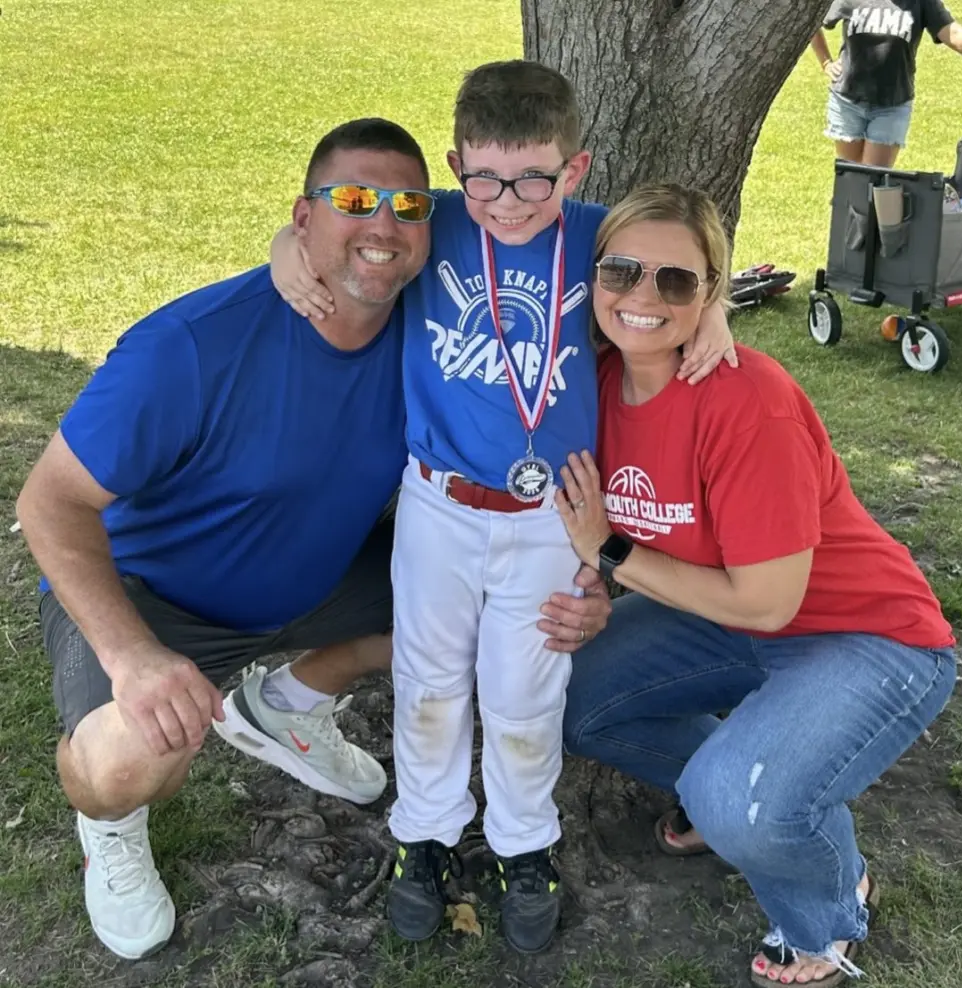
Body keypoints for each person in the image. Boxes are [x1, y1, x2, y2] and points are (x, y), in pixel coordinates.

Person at [14, 117, 611, 963]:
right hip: (158, 599)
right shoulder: (188, 349)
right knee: (127, 758)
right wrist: (131, 656)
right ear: (303, 217)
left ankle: (284, 704)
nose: (383, 225)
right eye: (354, 202)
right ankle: (110, 830)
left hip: (315, 579)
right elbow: (48, 502)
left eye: (407, 207)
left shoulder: (421, 322)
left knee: (472, 630)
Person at [269, 61, 738, 954]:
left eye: (533, 177)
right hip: (439, 503)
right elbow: (320, 229)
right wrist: (283, 248)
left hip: (554, 512)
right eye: (483, 177)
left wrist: (714, 318)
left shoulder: (603, 241)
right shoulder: (433, 224)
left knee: (527, 692)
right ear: (454, 166)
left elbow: (675, 278)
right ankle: (425, 834)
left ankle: (526, 845)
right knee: (431, 681)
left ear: (576, 168)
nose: (508, 200)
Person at [556, 183, 957, 987]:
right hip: (726, 615)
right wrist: (592, 579)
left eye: (677, 282)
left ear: (710, 294)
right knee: (570, 699)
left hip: (867, 636)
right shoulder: (590, 380)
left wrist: (612, 557)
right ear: (590, 279)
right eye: (623, 271)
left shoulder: (749, 401)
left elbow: (770, 602)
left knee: (746, 802)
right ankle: (740, 795)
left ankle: (827, 911)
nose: (643, 296)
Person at [809, 1, 962, 167]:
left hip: (892, 104)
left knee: (874, 179)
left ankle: (872, 217)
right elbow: (809, 21)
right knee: (850, 179)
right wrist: (825, 62)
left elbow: (952, 33)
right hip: (847, 101)